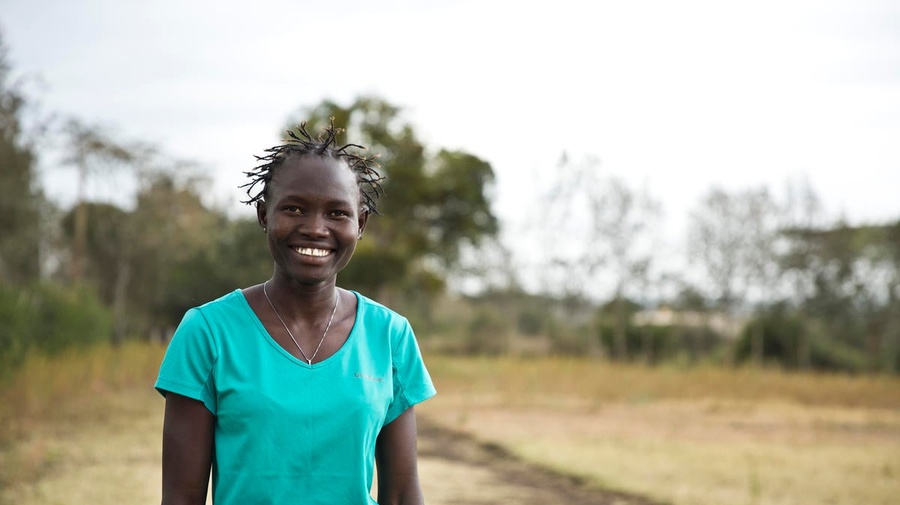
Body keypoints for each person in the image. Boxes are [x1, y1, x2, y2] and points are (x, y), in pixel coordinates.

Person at [155, 121, 436, 505]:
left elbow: (402, 493)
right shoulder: (208, 332)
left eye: (337, 213)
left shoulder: (389, 335)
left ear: (361, 224)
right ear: (263, 215)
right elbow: (181, 498)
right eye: (294, 208)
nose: (315, 229)